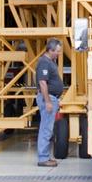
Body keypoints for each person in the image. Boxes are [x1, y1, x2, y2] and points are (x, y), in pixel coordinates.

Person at [35, 38, 65, 167]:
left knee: (48, 128)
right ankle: (43, 158)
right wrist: (47, 101)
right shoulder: (44, 62)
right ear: (50, 50)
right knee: (46, 129)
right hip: (49, 99)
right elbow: (42, 82)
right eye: (57, 51)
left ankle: (45, 156)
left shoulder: (50, 62)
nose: (59, 53)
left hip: (53, 98)